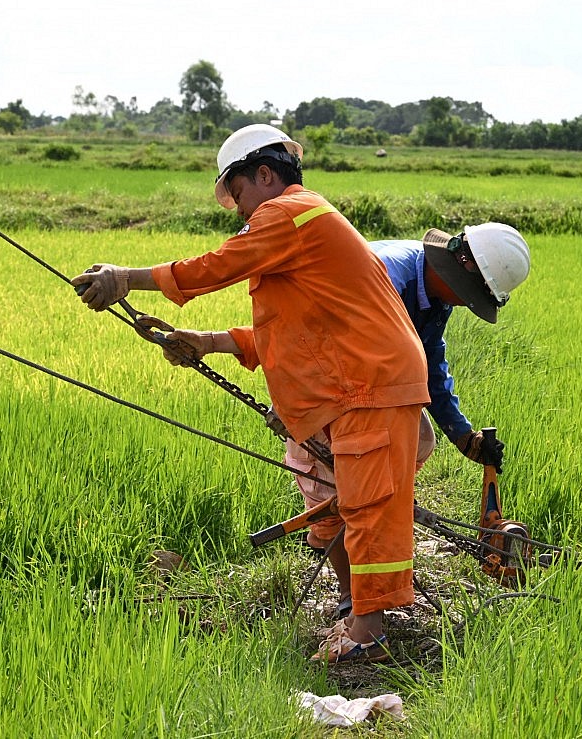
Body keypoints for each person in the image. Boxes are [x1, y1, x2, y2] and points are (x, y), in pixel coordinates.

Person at [72, 124, 430, 664]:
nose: (239, 210)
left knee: (368, 505)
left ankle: (369, 635)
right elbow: (291, 330)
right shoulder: (299, 229)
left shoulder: (290, 212)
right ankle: (354, 606)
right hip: (351, 382)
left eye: (237, 193)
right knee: (334, 506)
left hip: (368, 383)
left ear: (265, 174)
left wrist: (126, 279)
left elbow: (219, 265)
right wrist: (209, 342)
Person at [282, 222, 531, 619]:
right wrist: (292, 399)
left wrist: (465, 437)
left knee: (418, 440)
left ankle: (375, 521)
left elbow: (429, 362)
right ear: (458, 268)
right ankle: (354, 601)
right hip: (321, 385)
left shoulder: (434, 295)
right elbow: (305, 331)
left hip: (369, 389)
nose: (466, 304)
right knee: (330, 486)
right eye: (470, 297)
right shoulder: (382, 276)